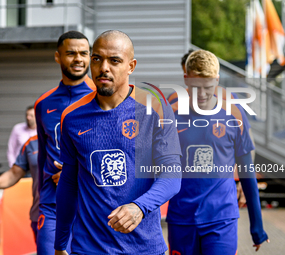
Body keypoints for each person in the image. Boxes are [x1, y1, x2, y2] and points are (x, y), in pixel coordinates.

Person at [54, 30, 182, 255]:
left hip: (145, 248)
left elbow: (171, 176)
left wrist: (139, 207)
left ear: (131, 66)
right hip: (88, 249)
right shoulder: (71, 116)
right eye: (97, 59)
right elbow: (69, 183)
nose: (104, 67)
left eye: (114, 61)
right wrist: (60, 243)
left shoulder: (156, 107)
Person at [166, 49, 269, 255]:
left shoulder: (233, 110)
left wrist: (257, 227)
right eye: (196, 87)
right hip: (181, 218)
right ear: (186, 79)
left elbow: (247, 170)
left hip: (221, 217)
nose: (202, 94)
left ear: (217, 80)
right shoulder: (170, 108)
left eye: (208, 87)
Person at [34, 30, 96, 254]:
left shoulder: (103, 97)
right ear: (58, 56)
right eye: (71, 53)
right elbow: (43, 157)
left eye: (84, 53)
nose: (78, 59)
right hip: (53, 205)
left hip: (90, 205)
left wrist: (75, 173)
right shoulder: (43, 104)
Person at [0, 135, 39, 242]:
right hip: (40, 214)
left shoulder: (72, 137)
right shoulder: (31, 143)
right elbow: (15, 172)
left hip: (73, 215)